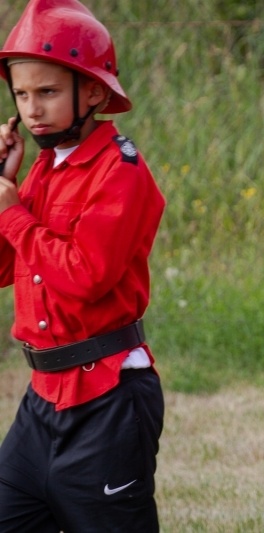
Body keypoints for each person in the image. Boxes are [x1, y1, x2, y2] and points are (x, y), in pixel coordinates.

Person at [0, 0, 166, 531]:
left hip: (107, 399)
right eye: (22, 94)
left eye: (47, 92)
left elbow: (85, 276)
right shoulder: (42, 172)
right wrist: (4, 184)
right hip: (43, 398)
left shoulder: (120, 171)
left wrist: (14, 216)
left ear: (93, 92)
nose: (31, 110)